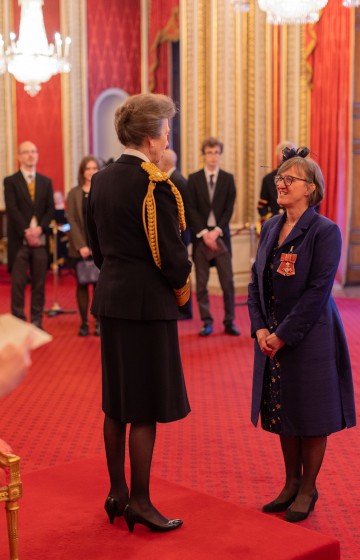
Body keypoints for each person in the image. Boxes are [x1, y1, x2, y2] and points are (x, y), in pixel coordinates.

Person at [86, 93, 192, 533]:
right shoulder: (156, 184)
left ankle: (117, 492)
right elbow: (172, 258)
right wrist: (182, 285)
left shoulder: (101, 179)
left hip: (111, 300)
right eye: (166, 129)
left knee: (118, 402)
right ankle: (142, 502)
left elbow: (96, 245)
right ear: (150, 137)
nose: (168, 137)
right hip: (147, 307)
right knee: (144, 407)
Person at [248, 147, 356, 523]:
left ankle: (308, 487)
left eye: (289, 179)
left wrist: (282, 335)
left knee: (310, 412)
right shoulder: (271, 227)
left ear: (310, 189)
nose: (281, 183)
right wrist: (260, 327)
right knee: (282, 408)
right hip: (272, 334)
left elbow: (318, 292)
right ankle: (290, 483)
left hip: (310, 336)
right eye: (279, 178)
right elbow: (255, 281)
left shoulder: (325, 232)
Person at [185, 137, 240, 336]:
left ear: (220, 154)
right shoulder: (194, 178)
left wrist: (216, 231)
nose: (213, 156)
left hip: (221, 236)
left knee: (228, 282)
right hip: (201, 237)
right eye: (209, 152)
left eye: (216, 152)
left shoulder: (228, 178)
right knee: (201, 284)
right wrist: (203, 233)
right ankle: (206, 321)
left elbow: (228, 208)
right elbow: (190, 208)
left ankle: (229, 321)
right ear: (204, 154)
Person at [4, 141, 54, 329]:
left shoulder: (46, 181)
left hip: (40, 240)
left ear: (37, 155)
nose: (30, 155)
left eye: (33, 151)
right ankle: (18, 320)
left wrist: (39, 229)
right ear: (19, 157)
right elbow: (12, 208)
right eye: (26, 152)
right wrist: (27, 231)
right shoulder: (10, 181)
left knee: (39, 284)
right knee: (17, 284)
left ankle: (36, 320)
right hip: (19, 240)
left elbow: (50, 209)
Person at [66, 156, 101, 336]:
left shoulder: (103, 191)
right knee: (82, 284)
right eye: (88, 168)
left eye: (94, 168)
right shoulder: (73, 193)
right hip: (80, 247)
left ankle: (98, 323)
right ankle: (84, 323)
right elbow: (71, 220)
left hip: (99, 247)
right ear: (82, 172)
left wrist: (97, 246)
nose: (91, 172)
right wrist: (81, 246)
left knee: (99, 286)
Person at [159, 148, 192, 320]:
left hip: (180, 233)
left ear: (165, 161)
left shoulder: (176, 180)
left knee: (181, 269)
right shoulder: (174, 178)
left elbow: (183, 211)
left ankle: (185, 309)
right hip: (179, 233)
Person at [257, 141, 297, 228]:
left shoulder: (300, 177)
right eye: (283, 153)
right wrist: (271, 219)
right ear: (278, 156)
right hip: (275, 225)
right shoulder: (268, 179)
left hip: (297, 223)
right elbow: (261, 206)